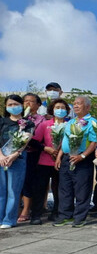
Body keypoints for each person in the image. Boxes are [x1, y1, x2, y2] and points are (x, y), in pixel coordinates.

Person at [53, 96, 97, 227]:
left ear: (88, 107)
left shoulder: (92, 122)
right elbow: (65, 141)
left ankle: (80, 217)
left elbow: (94, 142)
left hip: (82, 159)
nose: (76, 106)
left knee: (82, 189)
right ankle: (65, 215)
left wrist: (82, 156)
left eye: (79, 103)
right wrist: (59, 156)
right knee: (65, 188)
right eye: (74, 104)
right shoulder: (70, 122)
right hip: (67, 158)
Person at [30, 99, 70, 224]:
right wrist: (46, 148)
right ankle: (36, 214)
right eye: (57, 107)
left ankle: (57, 212)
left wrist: (60, 151)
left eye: (63, 107)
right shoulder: (45, 124)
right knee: (40, 189)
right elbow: (34, 141)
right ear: (52, 109)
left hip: (61, 162)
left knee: (60, 189)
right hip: (44, 162)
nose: (60, 110)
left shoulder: (70, 125)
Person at [0, 95, 33, 228]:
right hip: (1, 158)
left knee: (13, 190)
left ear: (21, 105)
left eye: (16, 104)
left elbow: (25, 142)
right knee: (1, 190)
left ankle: (9, 219)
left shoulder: (28, 123)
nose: (13, 107)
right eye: (10, 105)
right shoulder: (2, 122)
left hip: (17, 159)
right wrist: (1, 156)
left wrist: (14, 155)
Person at [18, 93, 45, 222]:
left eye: (32, 101)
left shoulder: (42, 120)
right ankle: (15, 208)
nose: (28, 103)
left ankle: (27, 209)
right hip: (16, 153)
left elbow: (40, 138)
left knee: (28, 180)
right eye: (25, 101)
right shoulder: (19, 117)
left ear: (38, 104)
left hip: (33, 153)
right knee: (16, 182)